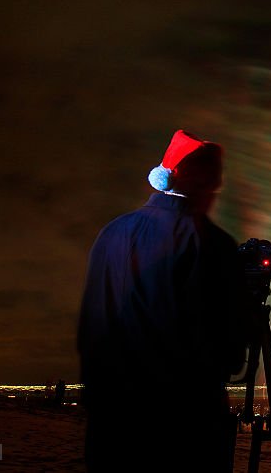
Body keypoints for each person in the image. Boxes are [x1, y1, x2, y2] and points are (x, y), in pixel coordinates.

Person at [77, 130, 249, 472]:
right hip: (183, 425)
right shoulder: (212, 243)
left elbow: (90, 325)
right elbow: (230, 353)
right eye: (214, 186)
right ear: (203, 184)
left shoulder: (112, 232)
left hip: (110, 420)